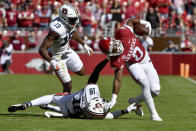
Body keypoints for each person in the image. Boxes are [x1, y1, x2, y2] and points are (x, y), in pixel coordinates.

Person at [8, 59, 139, 119]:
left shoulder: (90, 96)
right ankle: (49, 108)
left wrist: (106, 60)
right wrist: (127, 110)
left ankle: (28, 104)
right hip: (69, 113)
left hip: (66, 100)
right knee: (62, 111)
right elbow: (110, 115)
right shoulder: (93, 114)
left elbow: (95, 73)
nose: (102, 102)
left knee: (52, 97)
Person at [99, 18, 162, 121]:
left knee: (155, 91)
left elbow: (130, 21)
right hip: (134, 64)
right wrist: (113, 99)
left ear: (114, 40)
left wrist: (145, 22)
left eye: (114, 46)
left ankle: (134, 101)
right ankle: (154, 115)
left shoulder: (123, 32)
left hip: (146, 61)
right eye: (113, 50)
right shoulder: (116, 59)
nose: (116, 49)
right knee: (145, 84)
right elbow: (118, 79)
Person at [39, 3, 93, 93]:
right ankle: (64, 105)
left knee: (82, 72)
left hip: (67, 51)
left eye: (76, 19)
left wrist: (84, 44)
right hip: (57, 57)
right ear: (64, 18)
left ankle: (65, 68)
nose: (75, 22)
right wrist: (51, 61)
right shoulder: (57, 29)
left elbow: (73, 33)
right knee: (68, 86)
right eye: (73, 19)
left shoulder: (69, 23)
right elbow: (42, 49)